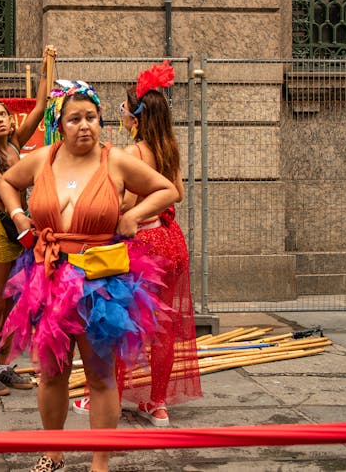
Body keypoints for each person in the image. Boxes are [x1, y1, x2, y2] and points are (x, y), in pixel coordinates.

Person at [0, 80, 177, 472]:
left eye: (91, 117)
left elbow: (166, 189)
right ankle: (53, 453)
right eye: (74, 118)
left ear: (101, 120)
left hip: (101, 283)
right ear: (59, 124)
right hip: (49, 277)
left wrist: (132, 216)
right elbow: (6, 182)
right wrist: (18, 216)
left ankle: (100, 461)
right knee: (51, 374)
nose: (84, 126)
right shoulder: (43, 158)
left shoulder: (115, 160)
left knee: (100, 376)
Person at [113, 61, 202, 424]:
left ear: (135, 117)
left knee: (122, 324)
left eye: (122, 108)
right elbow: (177, 193)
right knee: (163, 328)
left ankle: (109, 398)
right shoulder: (169, 148)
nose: (119, 114)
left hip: (143, 245)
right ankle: (159, 404)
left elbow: (129, 205)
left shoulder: (133, 154)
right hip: (171, 241)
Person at [0, 45, 53, 397]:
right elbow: (1, 183)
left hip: (21, 230)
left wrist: (48, 63)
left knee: (13, 303)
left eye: (4, 114)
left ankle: (4, 366)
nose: (1, 119)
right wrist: (20, 216)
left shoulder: (16, 144)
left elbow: (40, 105)